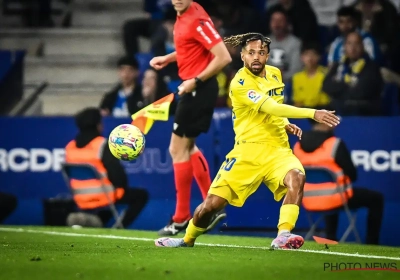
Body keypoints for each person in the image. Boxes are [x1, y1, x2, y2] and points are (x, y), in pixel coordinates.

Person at [154, 33, 340, 249]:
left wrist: (284, 122)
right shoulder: (240, 83)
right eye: (251, 53)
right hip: (246, 153)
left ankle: (283, 235)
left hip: (277, 149)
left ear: (268, 56)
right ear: (242, 56)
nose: (256, 57)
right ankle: (187, 239)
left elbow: (276, 106)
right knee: (211, 206)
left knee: (297, 178)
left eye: (261, 53)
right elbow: (269, 107)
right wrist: (312, 113)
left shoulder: (275, 74)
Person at [149, 0, 232, 236]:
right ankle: (212, 205)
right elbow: (193, 48)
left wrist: (195, 81)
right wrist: (168, 58)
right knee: (188, 147)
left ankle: (181, 217)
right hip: (194, 88)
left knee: (177, 149)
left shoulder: (196, 18)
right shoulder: (183, 14)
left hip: (198, 89)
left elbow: (223, 56)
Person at [293, 115, 384, 245]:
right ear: (325, 122)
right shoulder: (334, 144)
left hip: (307, 199)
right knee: (376, 198)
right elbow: (352, 175)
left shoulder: (297, 146)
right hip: (336, 198)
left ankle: (330, 237)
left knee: (331, 190)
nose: (335, 124)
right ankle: (372, 243)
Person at [65, 107, 149, 228]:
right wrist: (121, 185)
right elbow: (118, 177)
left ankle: (91, 220)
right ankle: (118, 227)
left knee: (114, 193)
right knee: (140, 195)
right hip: (104, 197)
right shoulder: (102, 145)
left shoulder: (70, 147)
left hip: (79, 199)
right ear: (98, 125)